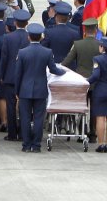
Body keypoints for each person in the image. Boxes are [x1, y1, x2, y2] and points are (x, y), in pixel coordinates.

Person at [14, 23, 64, 153]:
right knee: (38, 118)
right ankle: (36, 145)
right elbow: (53, 69)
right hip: (40, 89)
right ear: (41, 37)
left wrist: (17, 91)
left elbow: (18, 74)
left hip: (24, 89)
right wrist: (64, 72)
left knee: (24, 118)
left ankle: (26, 145)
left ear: (28, 37)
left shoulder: (22, 52)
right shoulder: (47, 52)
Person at [0, 9, 31, 142]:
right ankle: (23, 133)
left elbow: (4, 58)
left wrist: (2, 74)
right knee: (24, 106)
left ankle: (12, 133)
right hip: (26, 76)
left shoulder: (8, 37)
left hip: (10, 76)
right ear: (27, 23)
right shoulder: (30, 37)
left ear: (15, 22)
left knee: (11, 106)